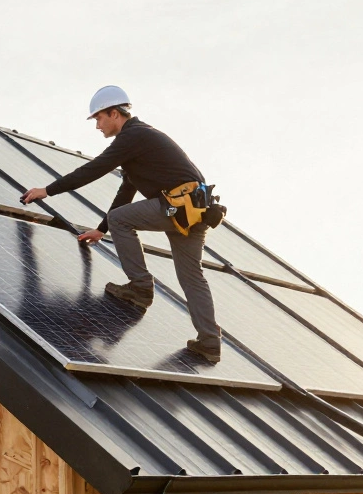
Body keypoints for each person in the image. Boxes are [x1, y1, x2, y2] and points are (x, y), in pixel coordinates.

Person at [21, 85, 223, 362]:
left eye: (99, 119)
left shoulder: (133, 136)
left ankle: (140, 287)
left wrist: (49, 190)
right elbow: (125, 193)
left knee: (126, 223)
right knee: (192, 277)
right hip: (194, 210)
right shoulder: (141, 142)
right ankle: (210, 343)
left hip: (178, 207)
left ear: (114, 113)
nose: (97, 126)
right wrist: (101, 230)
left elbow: (93, 170)